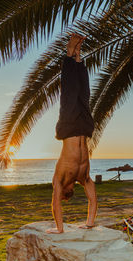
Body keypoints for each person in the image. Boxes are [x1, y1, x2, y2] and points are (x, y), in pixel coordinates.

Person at [46, 34, 97, 234]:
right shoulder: (83, 177)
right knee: (84, 94)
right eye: (68, 195)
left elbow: (54, 205)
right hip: (84, 128)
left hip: (68, 127)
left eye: (65, 195)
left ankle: (69, 53)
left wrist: (59, 228)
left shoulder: (59, 179)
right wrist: (89, 224)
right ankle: (78, 57)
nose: (67, 194)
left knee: (69, 92)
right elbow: (93, 200)